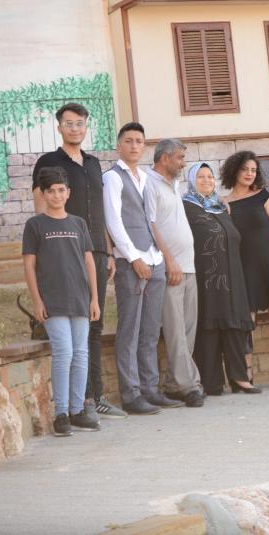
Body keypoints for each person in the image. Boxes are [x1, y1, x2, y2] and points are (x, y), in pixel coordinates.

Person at [31, 103, 125, 420]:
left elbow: (101, 211)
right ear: (59, 127)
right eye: (69, 123)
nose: (75, 128)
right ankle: (78, 402)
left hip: (95, 250)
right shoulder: (48, 162)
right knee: (71, 334)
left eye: (80, 123)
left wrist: (108, 251)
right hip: (63, 253)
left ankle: (95, 397)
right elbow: (40, 210)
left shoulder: (94, 164)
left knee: (94, 325)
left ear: (86, 126)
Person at [103, 122, 180, 415]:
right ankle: (131, 394)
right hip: (131, 261)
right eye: (129, 141)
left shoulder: (146, 177)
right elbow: (113, 220)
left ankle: (150, 389)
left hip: (154, 258)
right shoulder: (112, 178)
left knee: (150, 329)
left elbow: (150, 219)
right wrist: (134, 258)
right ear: (119, 145)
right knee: (130, 329)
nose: (135, 145)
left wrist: (159, 256)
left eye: (139, 141)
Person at [23, 167, 101, 435]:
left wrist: (94, 298)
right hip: (53, 301)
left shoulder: (78, 224)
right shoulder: (35, 225)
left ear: (68, 193)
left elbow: (89, 262)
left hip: (80, 299)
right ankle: (61, 414)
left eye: (61, 190)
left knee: (81, 354)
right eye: (51, 191)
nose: (56, 195)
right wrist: (37, 301)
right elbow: (29, 266)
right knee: (64, 352)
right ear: (43, 194)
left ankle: (78, 411)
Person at [221, 151, 269, 389]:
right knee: (247, 319)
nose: (249, 174)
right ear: (234, 170)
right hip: (243, 266)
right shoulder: (224, 202)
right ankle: (245, 373)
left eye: (254, 170)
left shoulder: (264, 196)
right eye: (245, 169)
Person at [183, 163, 260, 395]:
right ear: (191, 180)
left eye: (210, 176)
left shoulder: (220, 206)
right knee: (209, 325)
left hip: (232, 274)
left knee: (234, 323)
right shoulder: (186, 205)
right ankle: (211, 381)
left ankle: (239, 378)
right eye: (200, 176)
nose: (207, 180)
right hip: (206, 275)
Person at [146, 139, 204, 407]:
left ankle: (173, 384)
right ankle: (189, 386)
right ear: (164, 158)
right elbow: (151, 224)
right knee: (175, 330)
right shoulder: (148, 183)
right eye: (180, 158)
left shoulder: (174, 184)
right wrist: (169, 260)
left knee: (188, 330)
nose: (183, 163)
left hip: (188, 266)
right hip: (171, 268)